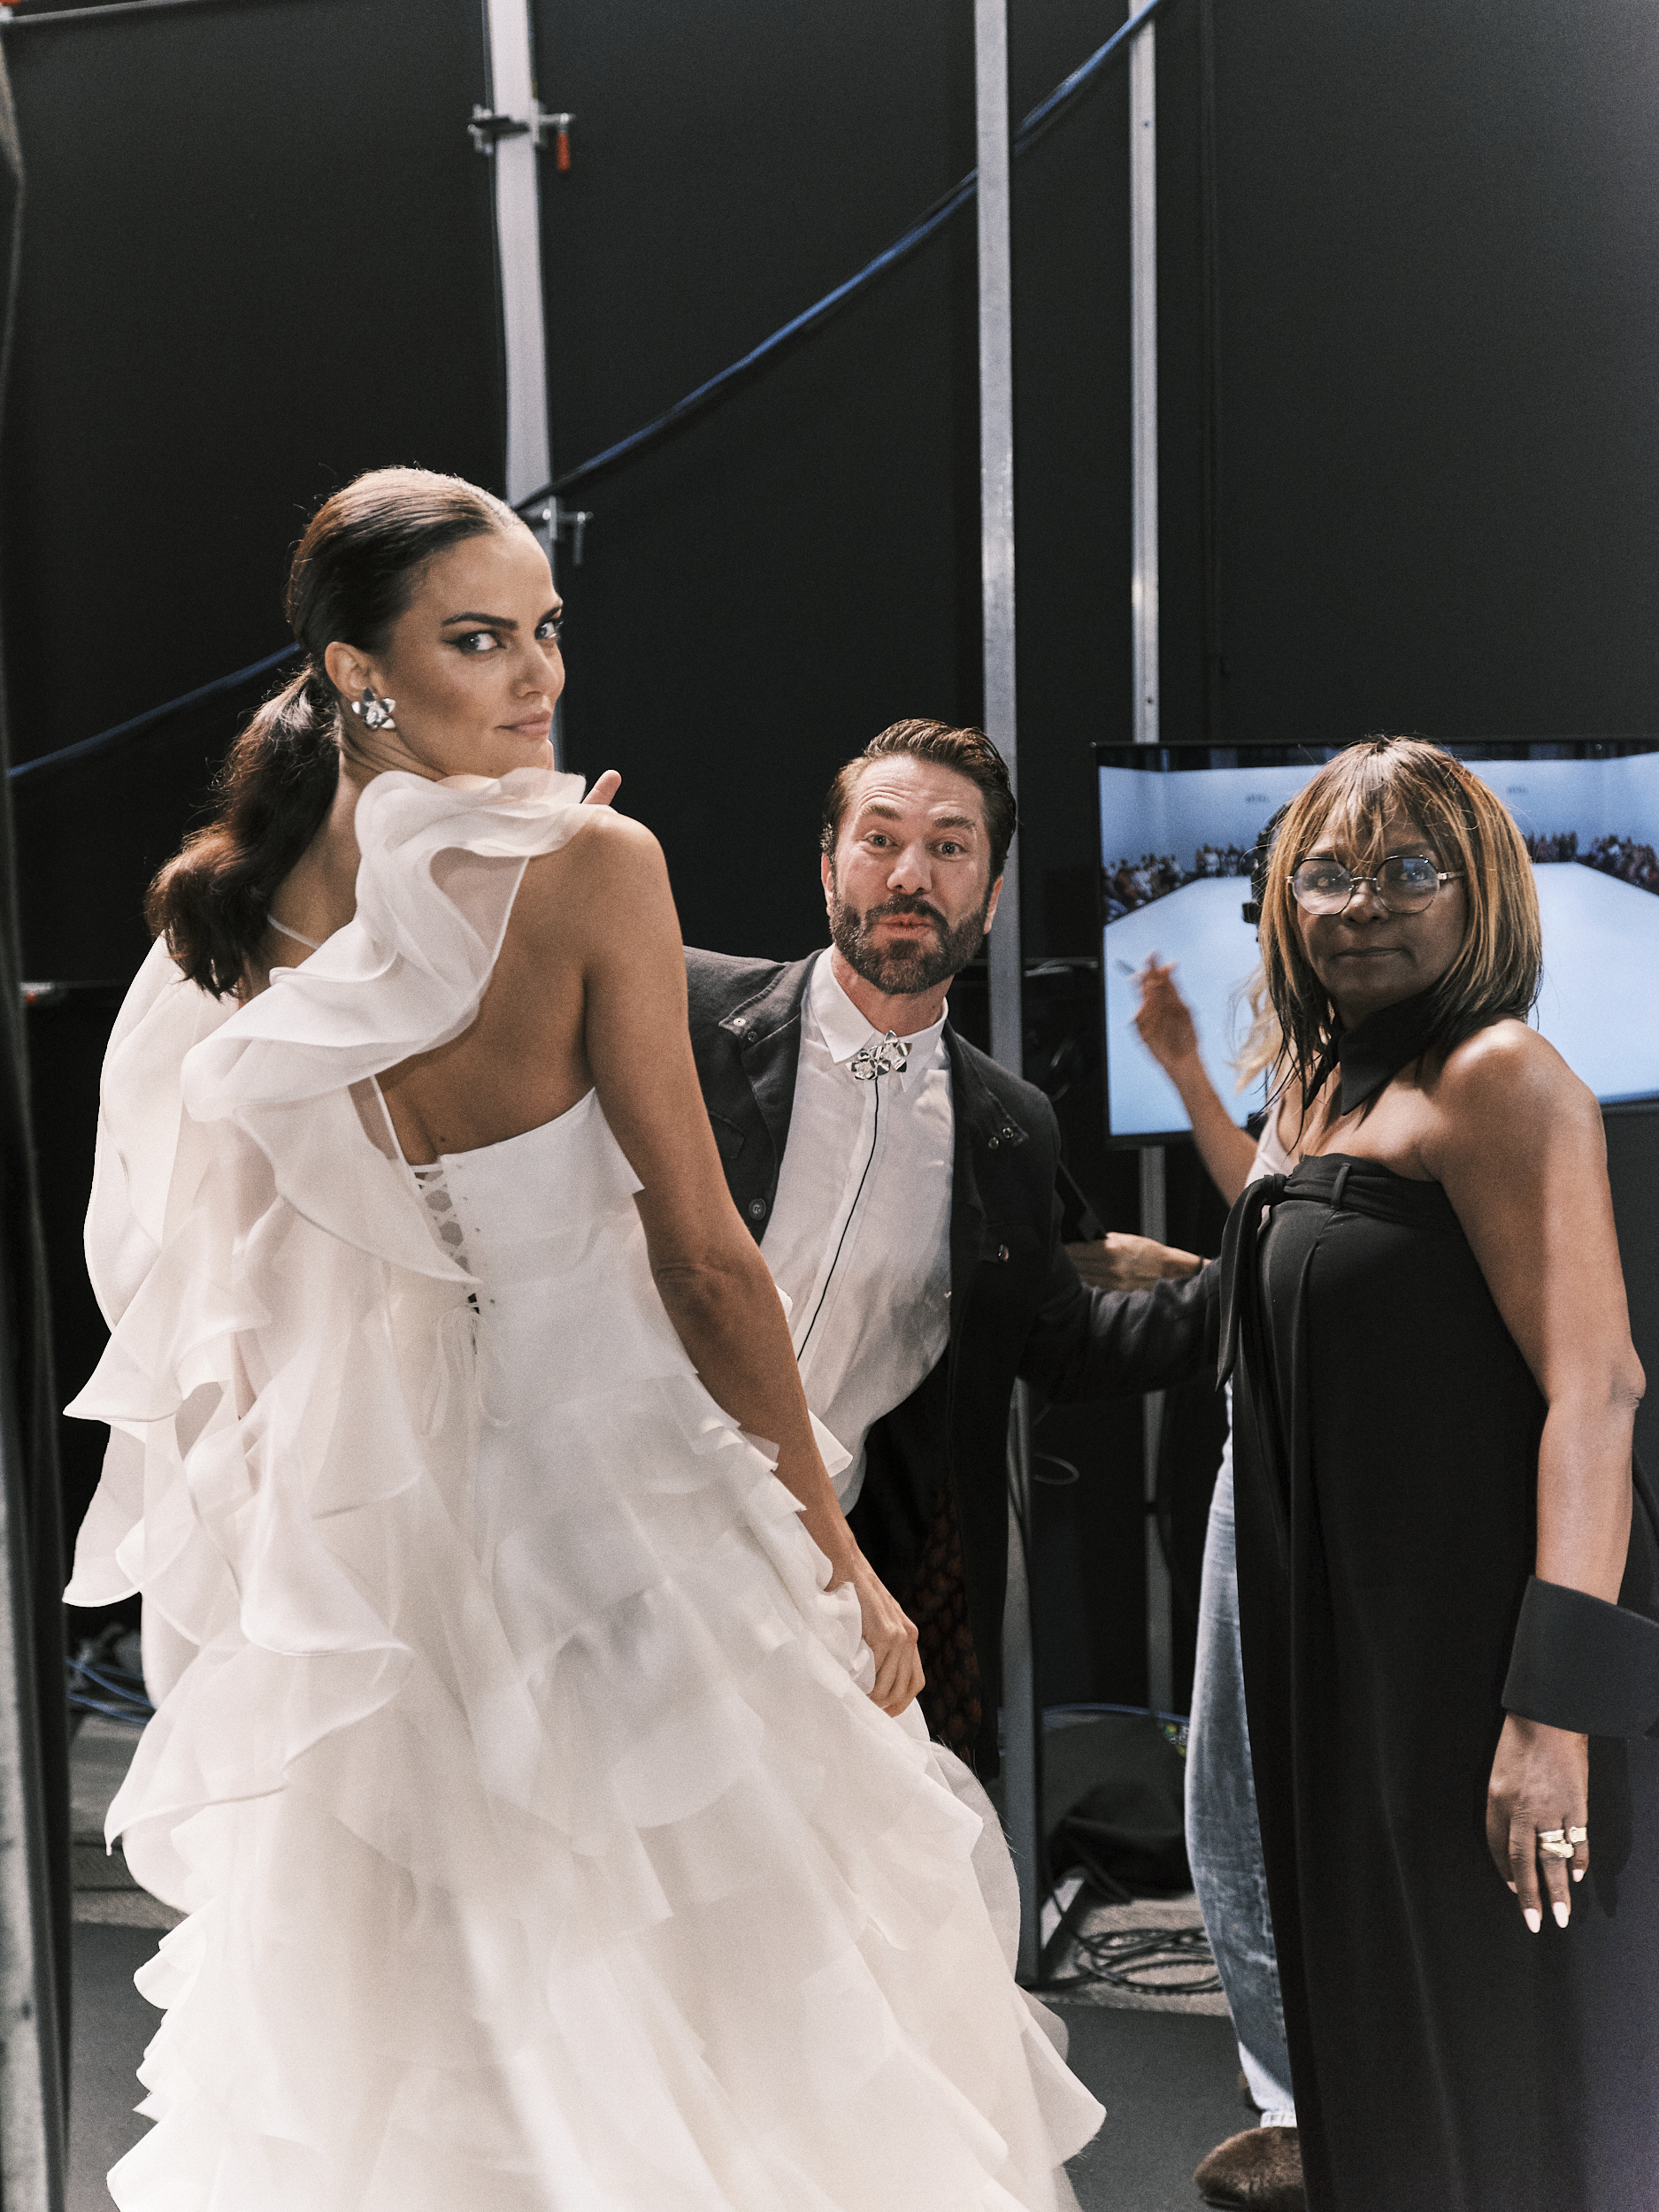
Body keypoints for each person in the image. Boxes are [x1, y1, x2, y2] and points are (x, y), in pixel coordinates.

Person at [64, 469, 1111, 2208]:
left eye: (546, 629)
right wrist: (834, 1548)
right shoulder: (592, 869)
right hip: (606, 1509)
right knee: (736, 1987)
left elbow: (225, 1300)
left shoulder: (233, 914)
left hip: (371, 1566)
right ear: (358, 669)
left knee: (431, 2009)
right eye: (480, 638)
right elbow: (705, 1261)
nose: (539, 671)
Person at [1222, 737, 1659, 2210]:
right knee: (1388, 2016)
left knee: (1513, 2038)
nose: (1361, 904)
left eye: (1408, 869)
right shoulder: (1320, 1085)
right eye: (1327, 874)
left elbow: (1597, 1389)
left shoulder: (1498, 1075)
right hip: (1357, 1645)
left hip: (1481, 1652)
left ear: (1482, 894)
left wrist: (1550, 1714)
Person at [683, 718, 1221, 1778]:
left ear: (992, 892)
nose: (910, 875)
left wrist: (1270, 1269)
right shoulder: (689, 1014)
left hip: (827, 1580)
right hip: (621, 1530)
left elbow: (1066, 1343)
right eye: (880, 839)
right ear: (828, 867)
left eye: (949, 847)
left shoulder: (1009, 1128)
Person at [1124, 956, 1302, 2212]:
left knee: (1258, 1796)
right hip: (1265, 1451)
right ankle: (1295, 2100)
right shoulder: (1314, 1067)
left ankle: (1329, 2100)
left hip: (1337, 1464)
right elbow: (1274, 1207)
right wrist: (1188, 1070)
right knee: (1227, 1797)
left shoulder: (1473, 1077)